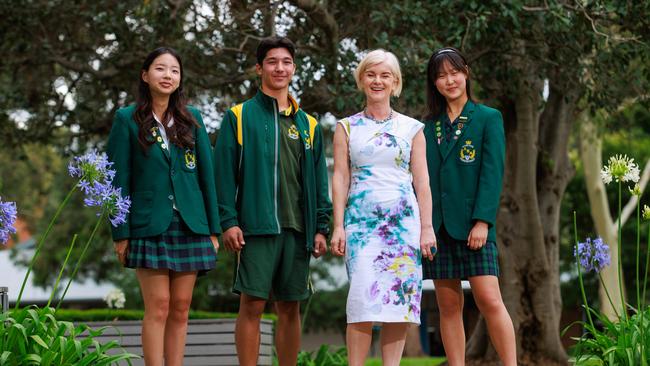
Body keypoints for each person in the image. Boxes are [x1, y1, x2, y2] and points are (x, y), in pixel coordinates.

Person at [213, 36, 332, 366]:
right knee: (252, 304)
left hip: (297, 228)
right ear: (258, 68)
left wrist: (321, 227)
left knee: (290, 306)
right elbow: (223, 177)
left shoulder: (308, 125)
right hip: (255, 227)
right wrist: (228, 221)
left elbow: (319, 182)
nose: (279, 68)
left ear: (294, 69)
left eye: (286, 62)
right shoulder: (238, 117)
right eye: (272, 62)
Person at [107, 47, 220, 366]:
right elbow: (117, 179)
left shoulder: (192, 118)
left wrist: (214, 229)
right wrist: (120, 232)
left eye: (174, 70)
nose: (167, 75)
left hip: (191, 224)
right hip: (148, 224)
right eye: (160, 68)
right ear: (145, 75)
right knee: (158, 305)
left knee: (182, 306)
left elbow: (207, 178)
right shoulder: (126, 118)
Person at [330, 49, 437, 366]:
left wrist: (427, 228)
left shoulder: (413, 129)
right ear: (362, 80)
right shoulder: (346, 127)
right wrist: (338, 226)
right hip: (361, 227)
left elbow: (423, 183)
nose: (378, 80)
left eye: (385, 75)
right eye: (371, 74)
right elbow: (340, 177)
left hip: (403, 225)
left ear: (396, 82)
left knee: (398, 303)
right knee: (361, 300)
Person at [421, 47, 516, 366]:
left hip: (474, 226)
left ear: (466, 73)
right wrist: (425, 227)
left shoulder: (488, 118)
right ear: (434, 83)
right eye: (442, 76)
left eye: (455, 72)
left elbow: (493, 173)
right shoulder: (426, 127)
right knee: (448, 306)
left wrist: (483, 221)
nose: (450, 80)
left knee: (490, 299)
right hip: (438, 229)